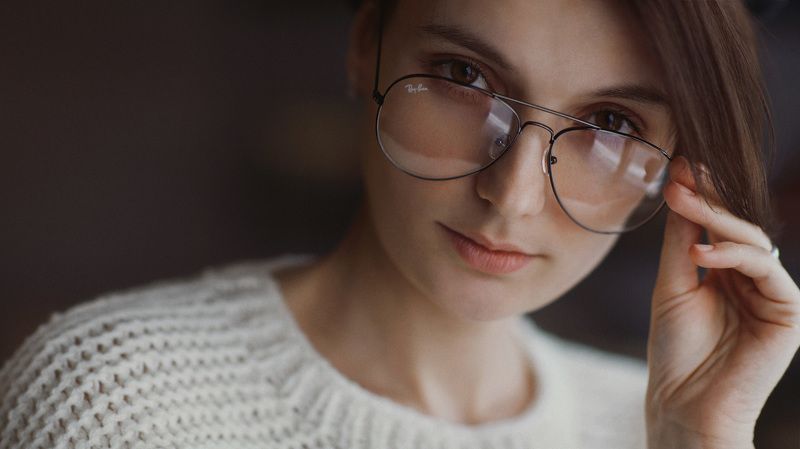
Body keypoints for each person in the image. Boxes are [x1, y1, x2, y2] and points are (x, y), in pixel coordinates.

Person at [1, 0, 798, 448]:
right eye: (464, 76)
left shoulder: (654, 423)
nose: (513, 195)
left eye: (614, 124)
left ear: (680, 166)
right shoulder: (114, 401)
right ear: (365, 49)